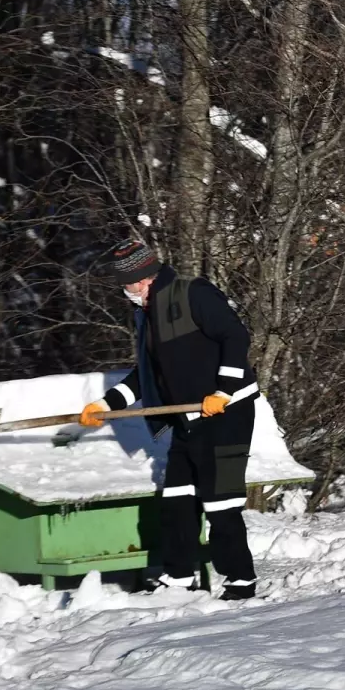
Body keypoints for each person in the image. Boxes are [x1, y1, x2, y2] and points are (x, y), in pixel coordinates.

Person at [79, 239, 261, 600]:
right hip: (188, 417)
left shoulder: (193, 294)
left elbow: (235, 335)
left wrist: (223, 390)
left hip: (228, 411)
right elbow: (148, 373)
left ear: (141, 279)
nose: (123, 291)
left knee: (219, 501)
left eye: (124, 283)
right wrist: (107, 404)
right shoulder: (148, 314)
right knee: (178, 497)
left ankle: (240, 581)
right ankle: (179, 577)